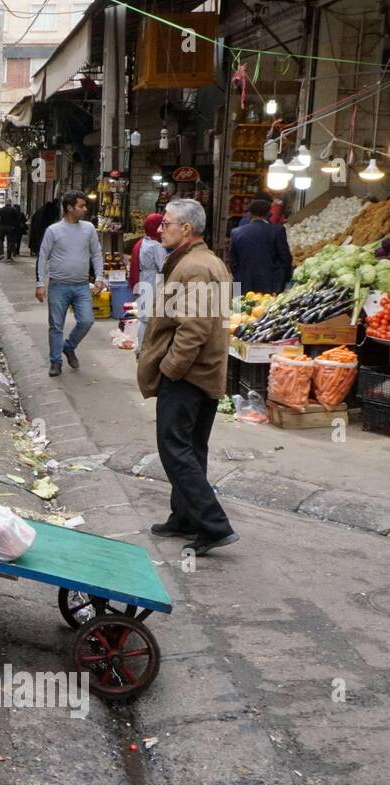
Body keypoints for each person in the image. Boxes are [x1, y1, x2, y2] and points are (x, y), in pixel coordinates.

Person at [137, 198, 238, 557]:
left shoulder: (195, 267)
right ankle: (184, 516)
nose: (160, 228)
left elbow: (193, 329)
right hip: (204, 372)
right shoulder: (205, 262)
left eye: (167, 223)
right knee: (191, 448)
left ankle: (213, 524)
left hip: (189, 375)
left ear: (187, 229)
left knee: (175, 448)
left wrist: (171, 369)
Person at [35, 190, 105, 376]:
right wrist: (40, 283)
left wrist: (99, 277)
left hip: (82, 285)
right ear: (69, 208)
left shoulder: (89, 228)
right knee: (56, 325)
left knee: (87, 320)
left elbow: (96, 254)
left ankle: (69, 346)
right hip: (58, 285)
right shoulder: (53, 231)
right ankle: (55, 362)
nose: (85, 209)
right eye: (81, 206)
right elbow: (43, 257)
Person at [228, 198, 293, 295]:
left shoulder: (236, 232)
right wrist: (285, 280)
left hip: (242, 286)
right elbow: (286, 259)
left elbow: (233, 262)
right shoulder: (277, 231)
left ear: (250, 214)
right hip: (270, 287)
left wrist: (239, 277)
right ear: (269, 214)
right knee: (265, 310)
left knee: (240, 309)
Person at [129, 212, 168, 353]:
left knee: (143, 316)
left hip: (143, 279)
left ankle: (141, 347)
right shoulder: (156, 246)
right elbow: (163, 266)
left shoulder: (143, 241)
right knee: (147, 318)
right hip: (152, 281)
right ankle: (142, 348)